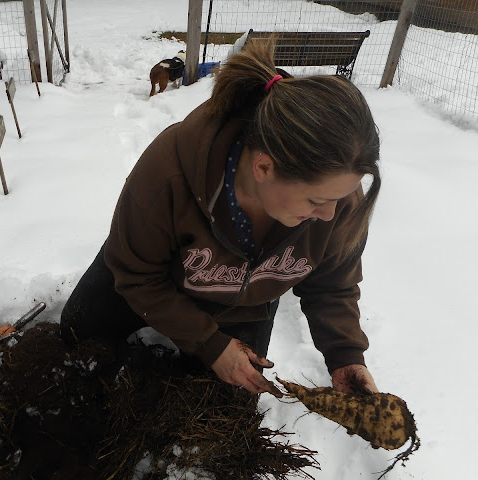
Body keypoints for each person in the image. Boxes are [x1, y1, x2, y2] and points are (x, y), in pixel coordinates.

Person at [60, 37, 381, 398]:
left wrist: (345, 356)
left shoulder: (336, 195)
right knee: (77, 331)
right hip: (155, 277)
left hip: (241, 305)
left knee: (230, 409)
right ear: (263, 167)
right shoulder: (168, 173)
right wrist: (208, 343)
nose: (330, 215)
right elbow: (137, 275)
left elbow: (332, 283)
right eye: (315, 200)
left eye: (340, 198)